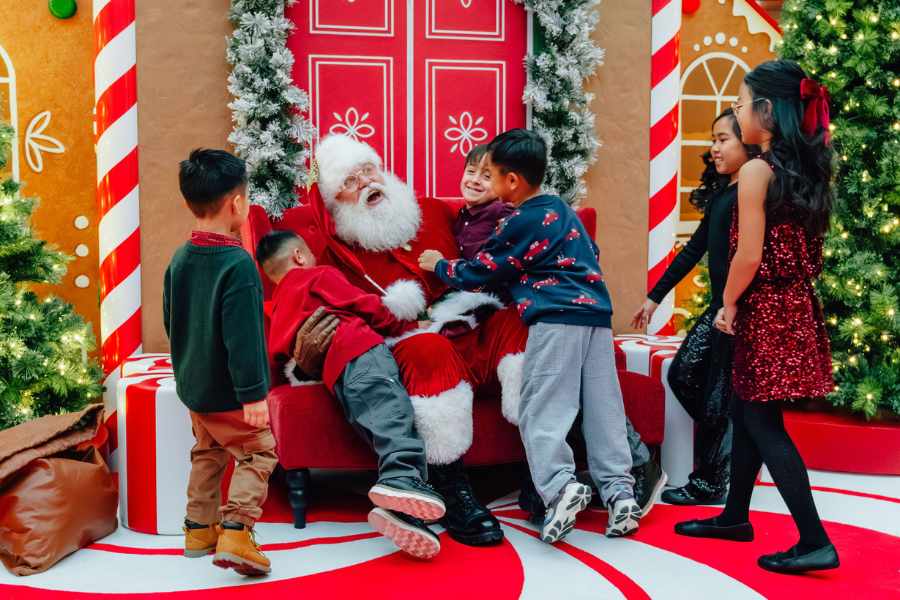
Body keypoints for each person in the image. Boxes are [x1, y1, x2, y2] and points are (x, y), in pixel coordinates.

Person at [419, 129, 641, 542]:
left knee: (540, 407)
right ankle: (620, 494)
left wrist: (439, 265)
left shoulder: (518, 220)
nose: (487, 180)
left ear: (512, 181)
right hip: (596, 314)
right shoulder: (560, 209)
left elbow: (481, 270)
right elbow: (590, 250)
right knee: (601, 407)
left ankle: (560, 488)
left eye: (493, 174)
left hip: (556, 318)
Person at [674, 60, 839, 575]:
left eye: (743, 105)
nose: (739, 113)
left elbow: (748, 255)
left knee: (763, 419)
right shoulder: (803, 169)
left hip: (762, 306)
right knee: (750, 408)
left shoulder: (754, 169)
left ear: (766, 112)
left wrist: (727, 303)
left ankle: (814, 539)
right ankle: (735, 517)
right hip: (792, 306)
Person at [256, 229, 446, 559]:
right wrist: (404, 323)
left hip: (335, 377)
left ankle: (403, 514)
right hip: (361, 352)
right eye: (310, 255)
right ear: (299, 257)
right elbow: (364, 303)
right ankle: (401, 479)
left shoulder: (280, 304)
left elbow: (280, 353)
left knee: (378, 427)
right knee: (395, 415)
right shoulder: (317, 276)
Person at [633, 108, 757, 506]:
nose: (714, 148)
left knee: (721, 395)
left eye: (723, 139)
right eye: (714, 139)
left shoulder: (750, 194)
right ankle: (732, 444)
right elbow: (693, 251)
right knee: (685, 374)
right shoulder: (724, 194)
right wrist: (655, 297)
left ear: (748, 143)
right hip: (719, 310)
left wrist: (735, 305)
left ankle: (710, 480)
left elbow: (753, 257)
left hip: (738, 312)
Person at [163, 149, 276, 576]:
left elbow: (172, 322)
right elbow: (244, 339)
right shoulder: (238, 264)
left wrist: (187, 372)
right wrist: (253, 395)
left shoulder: (180, 257)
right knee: (259, 453)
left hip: (194, 386)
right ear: (237, 204)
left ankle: (198, 529)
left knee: (208, 450)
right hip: (231, 390)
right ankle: (236, 532)